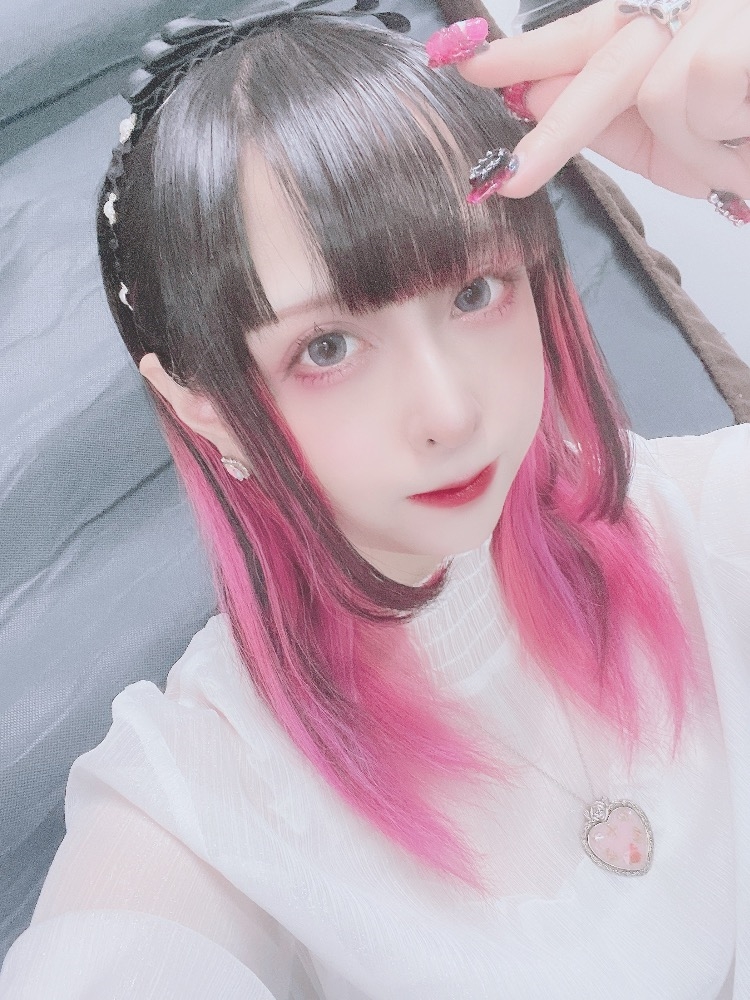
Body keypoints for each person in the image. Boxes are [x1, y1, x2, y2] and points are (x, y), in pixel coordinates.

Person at [1, 1, 748, 996]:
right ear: (204, 409)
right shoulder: (200, 808)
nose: (449, 411)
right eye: (327, 347)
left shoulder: (700, 525)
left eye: (475, 291)